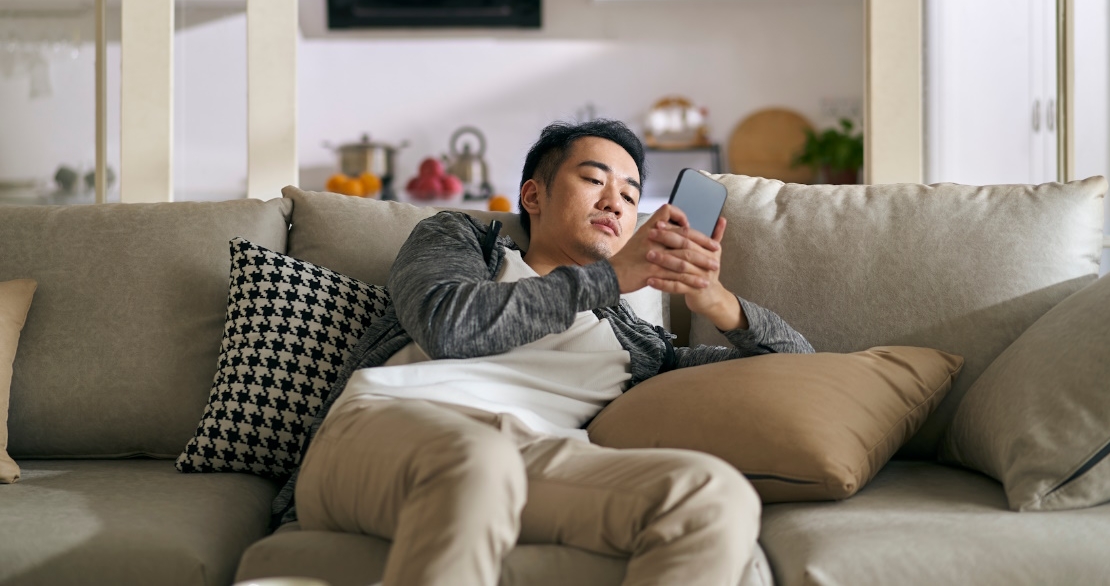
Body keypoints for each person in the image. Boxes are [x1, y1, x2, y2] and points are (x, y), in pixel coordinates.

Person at [272, 120, 814, 586]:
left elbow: (803, 375)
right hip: (386, 430)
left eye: (630, 197)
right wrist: (608, 279)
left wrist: (719, 303)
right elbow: (447, 325)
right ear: (533, 196)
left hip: (531, 456)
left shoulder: (643, 348)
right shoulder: (465, 243)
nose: (614, 202)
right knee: (479, 460)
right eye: (594, 180)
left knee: (714, 496)